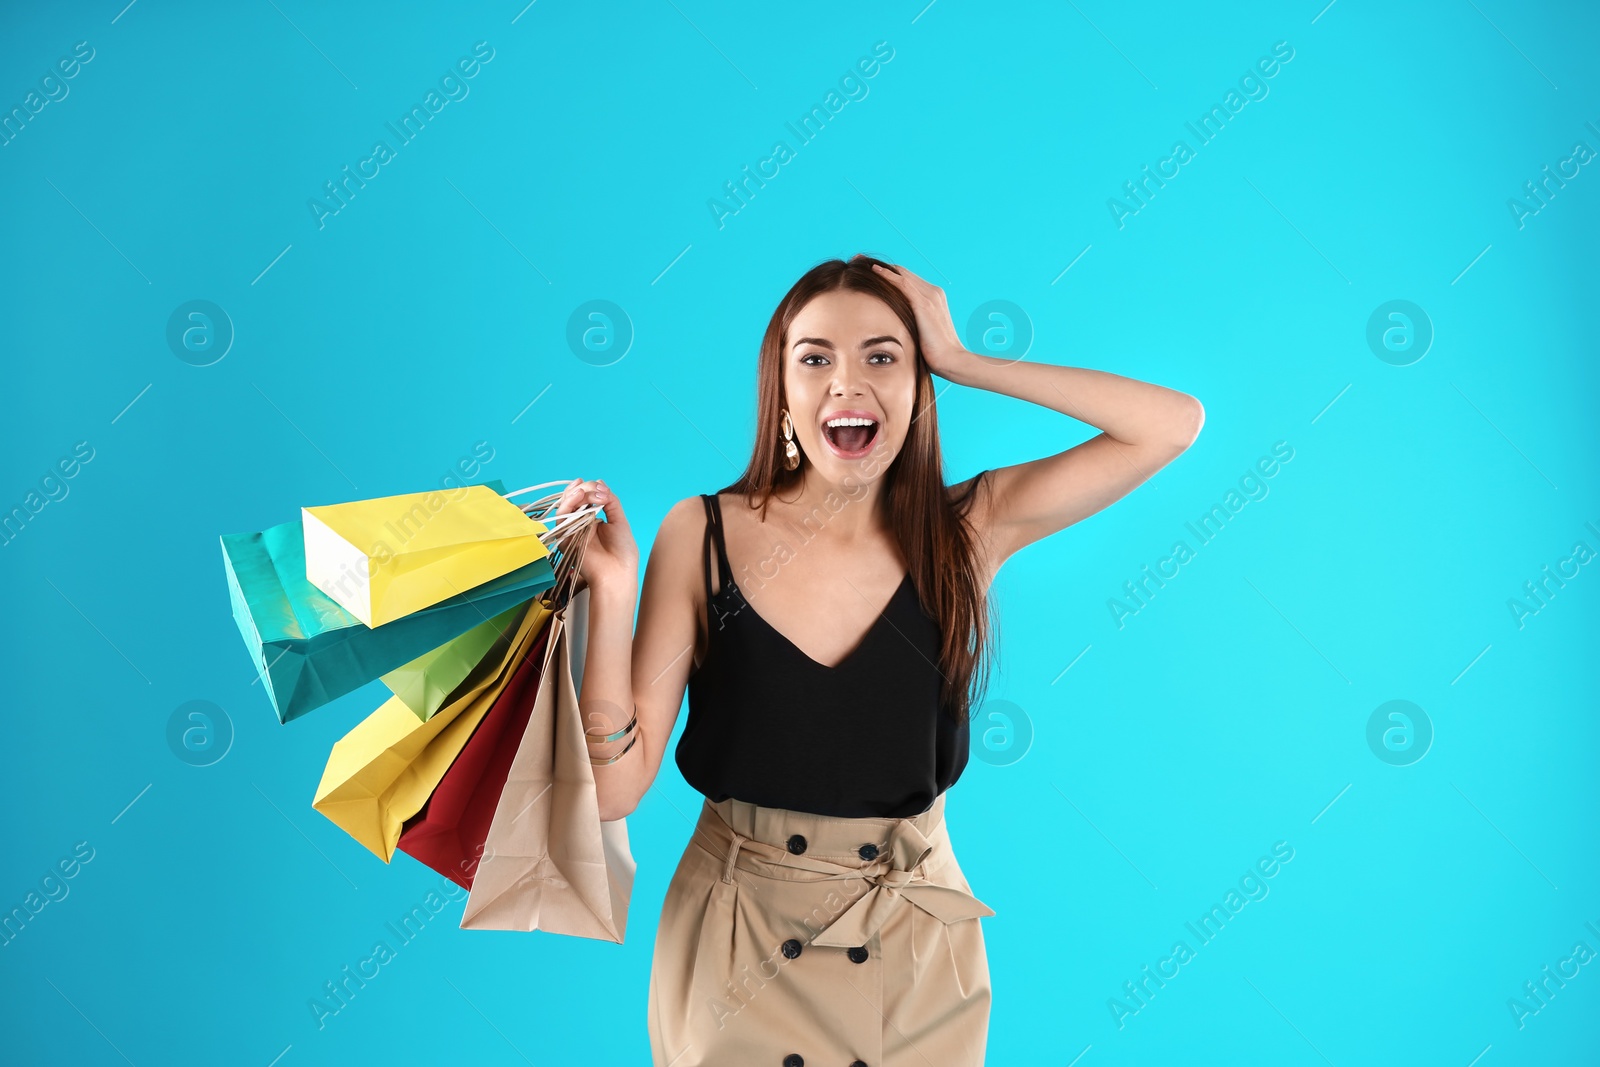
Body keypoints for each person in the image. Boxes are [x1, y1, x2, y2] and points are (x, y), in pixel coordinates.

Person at [554, 254, 1203, 1066]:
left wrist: (966, 358)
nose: (846, 383)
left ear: (918, 386)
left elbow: (1171, 423)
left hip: (915, 942)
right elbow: (614, 787)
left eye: (883, 356)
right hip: (738, 941)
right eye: (816, 357)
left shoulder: (967, 527)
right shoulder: (702, 534)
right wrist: (613, 595)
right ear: (781, 392)